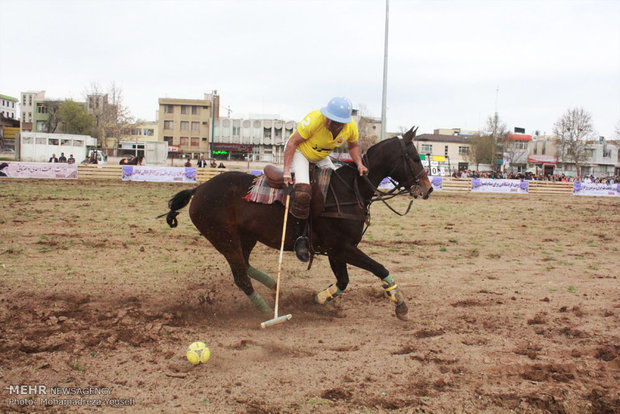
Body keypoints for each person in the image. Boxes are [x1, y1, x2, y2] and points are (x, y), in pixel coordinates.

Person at [283, 97, 368, 261]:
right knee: (302, 194)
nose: (333, 123)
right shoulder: (314, 120)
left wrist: (359, 163)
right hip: (301, 153)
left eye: (338, 122)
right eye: (331, 119)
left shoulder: (350, 127)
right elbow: (293, 142)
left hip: (321, 156)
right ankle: (300, 238)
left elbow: (354, 145)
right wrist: (287, 170)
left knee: (336, 187)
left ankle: (326, 228)